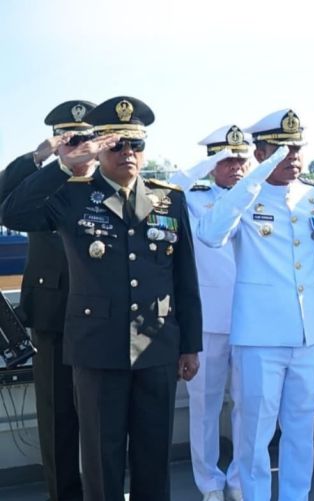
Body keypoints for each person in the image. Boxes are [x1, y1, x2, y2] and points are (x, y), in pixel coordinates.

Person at [1, 95, 203, 500]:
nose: (128, 153)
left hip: (157, 348)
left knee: (153, 458)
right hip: (97, 352)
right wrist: (62, 162)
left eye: (136, 144)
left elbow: (184, 279)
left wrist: (190, 346)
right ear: (100, 147)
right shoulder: (72, 196)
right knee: (101, 460)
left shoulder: (169, 199)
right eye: (116, 144)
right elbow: (13, 212)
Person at [197, 109, 314, 501]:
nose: (293, 156)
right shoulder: (243, 198)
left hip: (307, 335)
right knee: (255, 436)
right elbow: (209, 234)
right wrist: (253, 181)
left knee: (299, 430)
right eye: (281, 149)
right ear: (260, 153)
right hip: (259, 337)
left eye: (297, 149)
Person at [0, 100, 96, 501]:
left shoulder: (106, 183)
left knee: (105, 421)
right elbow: (4, 203)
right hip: (51, 317)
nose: (76, 147)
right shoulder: (41, 186)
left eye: (84, 139)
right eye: (68, 139)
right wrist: (39, 157)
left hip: (101, 318)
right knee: (57, 420)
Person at [169, 125, 252, 501]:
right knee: (205, 407)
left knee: (249, 405)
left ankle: (238, 478)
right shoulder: (193, 198)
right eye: (227, 159)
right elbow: (164, 189)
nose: (236, 166)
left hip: (253, 320)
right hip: (208, 319)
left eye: (241, 158)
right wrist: (203, 166)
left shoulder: (256, 195)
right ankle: (210, 483)